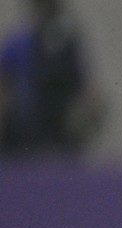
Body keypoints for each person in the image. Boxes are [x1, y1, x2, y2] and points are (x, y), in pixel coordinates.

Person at [0, 0, 99, 159]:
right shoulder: (17, 43)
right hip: (23, 128)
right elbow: (4, 83)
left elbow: (86, 87)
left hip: (59, 129)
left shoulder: (67, 44)